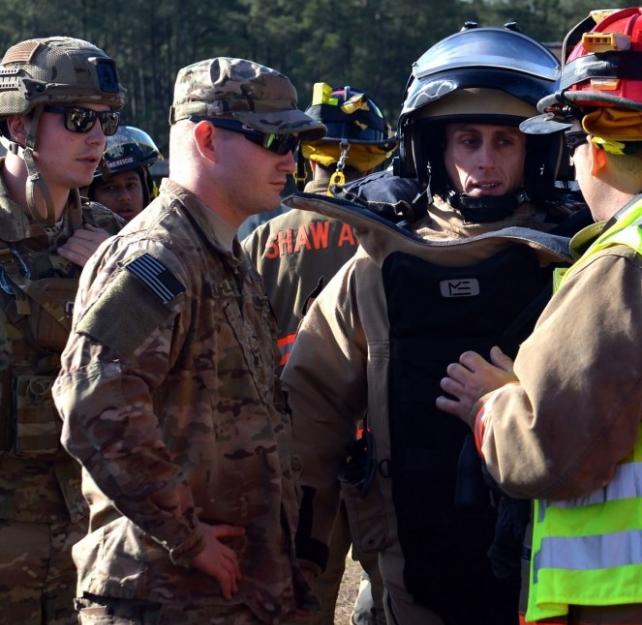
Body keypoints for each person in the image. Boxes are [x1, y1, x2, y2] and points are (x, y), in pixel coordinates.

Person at [281, 23, 586, 625]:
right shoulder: (373, 275)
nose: (485, 162)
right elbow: (306, 437)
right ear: (432, 149)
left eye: (506, 141)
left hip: (552, 583)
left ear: (539, 151)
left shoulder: (581, 263)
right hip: (411, 575)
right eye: (467, 140)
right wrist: (298, 574)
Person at [52, 57, 326, 625]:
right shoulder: (158, 256)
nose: (290, 160)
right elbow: (91, 399)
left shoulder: (221, 255)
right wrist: (184, 535)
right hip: (165, 594)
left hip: (228, 594)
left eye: (293, 143)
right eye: (273, 138)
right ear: (207, 139)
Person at [437, 8, 642, 624]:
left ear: (593, 151)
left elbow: (550, 453)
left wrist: (490, 404)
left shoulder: (622, 264)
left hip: (616, 597)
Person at [243, 83, 396, 625]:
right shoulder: (394, 238)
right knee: (392, 592)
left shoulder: (261, 242)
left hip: (300, 450)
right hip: (383, 444)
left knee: (303, 590)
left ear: (308, 153)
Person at [0, 36, 125, 625]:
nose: (98, 138)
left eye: (107, 120)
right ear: (20, 122)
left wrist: (113, 276)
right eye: (78, 120)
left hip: (87, 531)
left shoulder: (111, 236)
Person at [86, 125, 162, 221]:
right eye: (110, 187)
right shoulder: (71, 233)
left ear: (146, 190)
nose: (125, 197)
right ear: (90, 197)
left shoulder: (172, 233)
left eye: (131, 185)